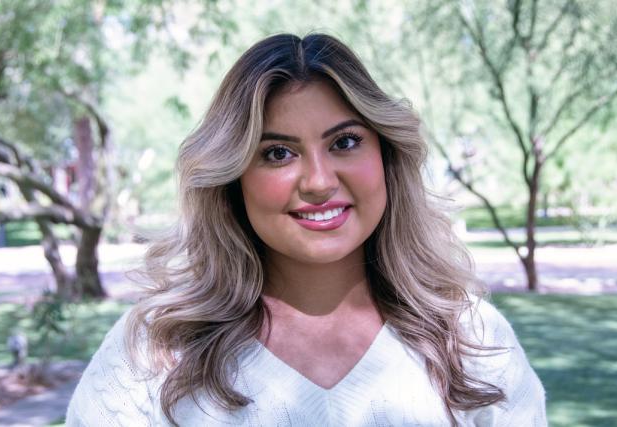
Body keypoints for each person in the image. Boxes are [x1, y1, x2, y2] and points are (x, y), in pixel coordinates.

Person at [66, 33, 546, 426]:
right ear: (234, 179)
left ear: (385, 157)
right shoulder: (156, 350)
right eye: (278, 153)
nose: (318, 181)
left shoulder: (470, 339)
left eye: (345, 141)